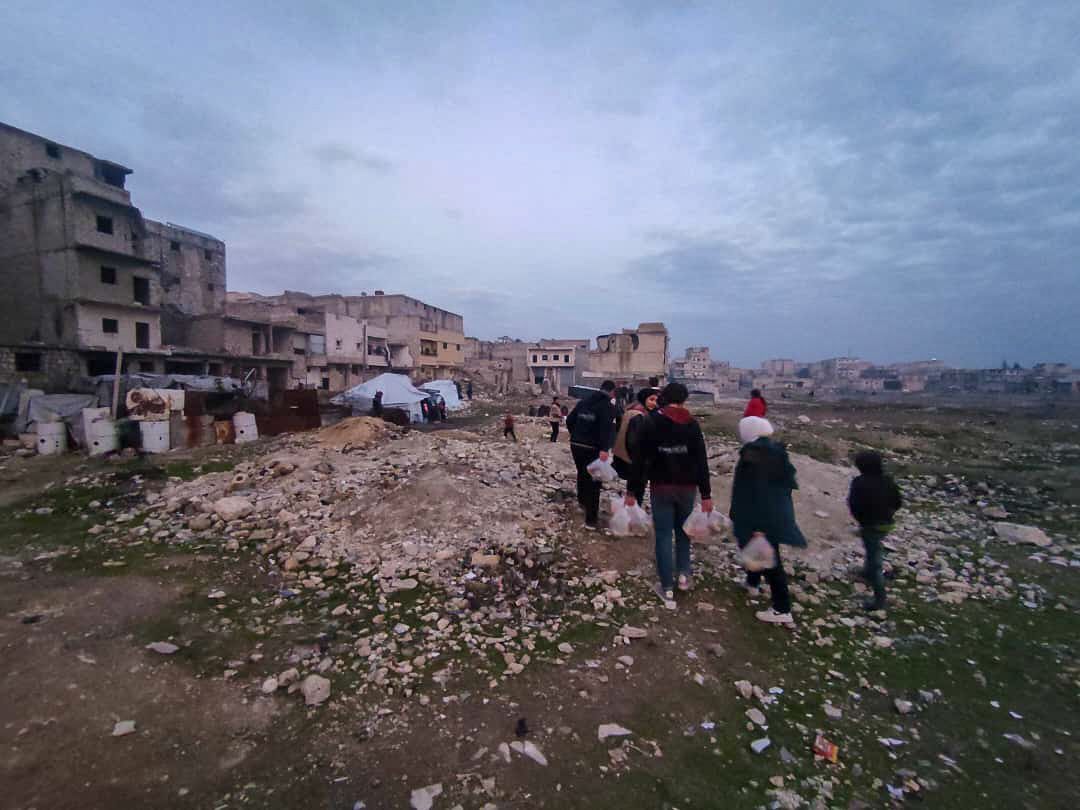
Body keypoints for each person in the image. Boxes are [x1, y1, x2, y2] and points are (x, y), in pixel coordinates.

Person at [627, 383, 711, 604]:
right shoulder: (692, 424)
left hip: (661, 486)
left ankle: (667, 587)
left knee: (663, 535)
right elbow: (701, 460)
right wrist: (706, 494)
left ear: (664, 397)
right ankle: (684, 576)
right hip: (687, 488)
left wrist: (632, 490)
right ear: (684, 399)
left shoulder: (651, 421)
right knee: (684, 532)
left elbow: (639, 459)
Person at [730, 416, 806, 624]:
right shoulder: (774, 451)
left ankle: (782, 609)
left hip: (760, 516)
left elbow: (757, 491)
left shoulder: (756, 455)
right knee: (758, 549)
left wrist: (760, 526)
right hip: (773, 513)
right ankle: (752, 583)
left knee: (772, 561)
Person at [847, 450, 903, 611]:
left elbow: (854, 504)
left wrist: (861, 519)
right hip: (887, 524)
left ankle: (879, 600)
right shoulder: (888, 481)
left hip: (869, 525)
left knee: (875, 561)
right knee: (872, 547)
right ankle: (865, 572)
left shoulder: (859, 482)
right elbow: (897, 503)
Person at [565, 380, 617, 530]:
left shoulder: (584, 402)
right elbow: (606, 429)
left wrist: (575, 435)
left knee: (582, 473)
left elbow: (570, 420)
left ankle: (582, 502)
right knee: (594, 481)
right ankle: (591, 520)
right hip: (593, 448)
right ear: (612, 392)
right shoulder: (608, 407)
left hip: (576, 445)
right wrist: (604, 448)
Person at [612, 387, 659, 503]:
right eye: (651, 399)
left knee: (633, 489)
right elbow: (634, 442)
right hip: (634, 460)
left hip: (623, 455)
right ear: (644, 399)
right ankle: (634, 514)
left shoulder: (630, 411)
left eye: (656, 400)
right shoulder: (639, 416)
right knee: (637, 491)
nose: (654, 403)